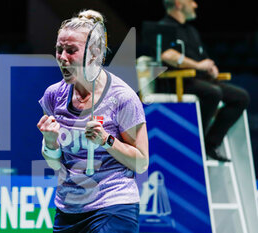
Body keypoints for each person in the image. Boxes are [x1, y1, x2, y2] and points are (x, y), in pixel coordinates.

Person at [37, 9, 149, 233]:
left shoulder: (122, 98)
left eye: (71, 51)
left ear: (94, 53)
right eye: (59, 50)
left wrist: (106, 140)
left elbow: (141, 162)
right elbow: (55, 164)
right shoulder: (53, 96)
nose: (62, 57)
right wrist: (50, 143)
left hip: (114, 204)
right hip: (69, 209)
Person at [158, 0, 250, 162]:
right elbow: (167, 55)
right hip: (178, 82)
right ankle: (193, 141)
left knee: (241, 97)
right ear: (178, 3)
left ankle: (210, 143)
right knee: (213, 93)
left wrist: (210, 67)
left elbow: (204, 58)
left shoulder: (191, 31)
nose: (196, 5)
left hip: (201, 81)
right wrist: (198, 65)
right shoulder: (164, 27)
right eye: (191, 1)